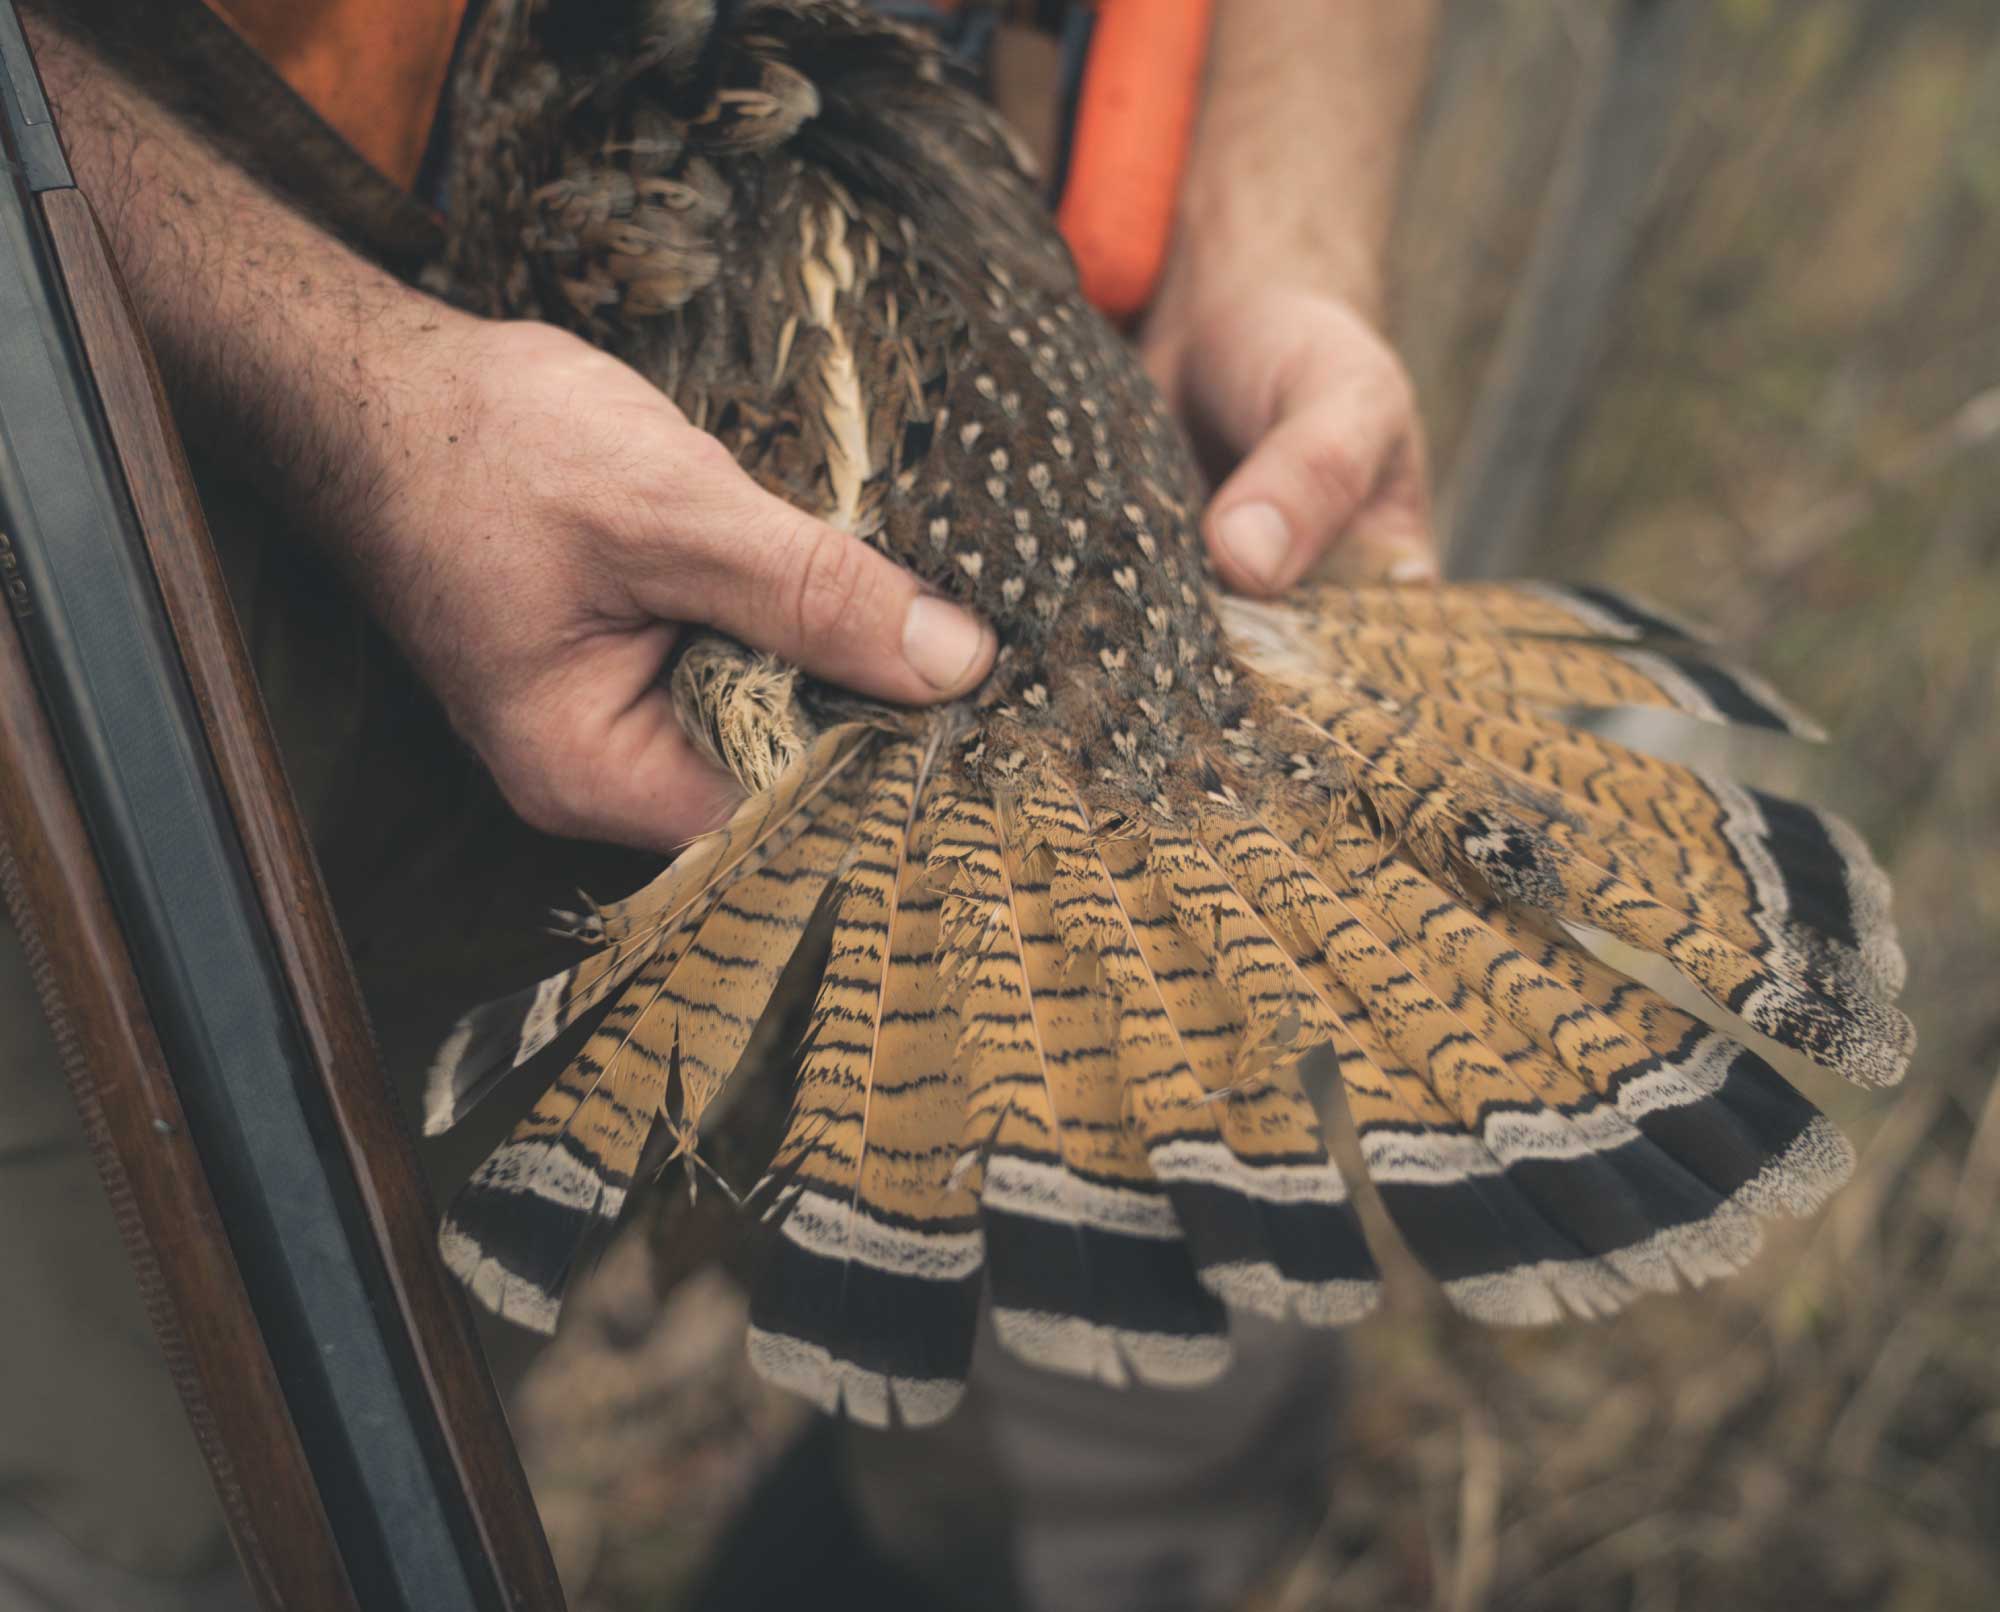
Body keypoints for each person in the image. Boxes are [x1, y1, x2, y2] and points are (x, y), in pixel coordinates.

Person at [0, 2, 1438, 1606]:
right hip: (178, 440)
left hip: (1040, 428)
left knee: (1159, 1408)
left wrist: (1281, 230)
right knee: (204, 1479)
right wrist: (345, 390)